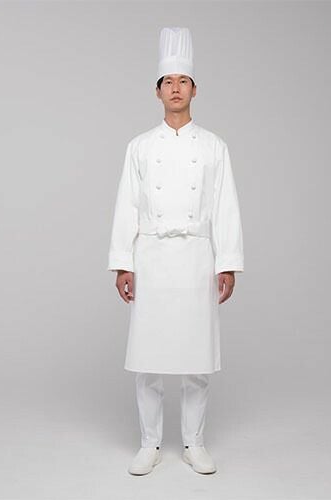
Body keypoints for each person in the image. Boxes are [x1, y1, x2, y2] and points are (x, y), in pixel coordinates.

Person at [107, 27, 244, 475]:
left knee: (196, 361)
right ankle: (149, 443)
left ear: (194, 89)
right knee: (147, 362)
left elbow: (225, 206)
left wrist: (227, 263)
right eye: (168, 82)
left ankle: (193, 443)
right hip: (151, 257)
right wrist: (123, 263)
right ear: (158, 91)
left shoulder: (214, 146)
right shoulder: (140, 147)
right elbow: (127, 205)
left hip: (196, 259)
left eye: (183, 81)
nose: (176, 88)